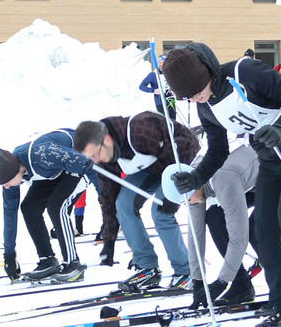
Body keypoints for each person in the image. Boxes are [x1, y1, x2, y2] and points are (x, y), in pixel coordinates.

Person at [163, 42, 281, 327]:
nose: (194, 99)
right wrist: (197, 177)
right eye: (187, 96)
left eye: (195, 90)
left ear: (206, 72)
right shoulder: (208, 106)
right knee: (263, 226)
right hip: (270, 157)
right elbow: (216, 152)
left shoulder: (245, 71)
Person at [75, 112, 197, 291]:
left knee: (161, 213)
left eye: (95, 154)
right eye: (91, 158)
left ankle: (186, 272)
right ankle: (147, 267)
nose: (96, 161)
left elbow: (184, 146)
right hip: (152, 167)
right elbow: (109, 200)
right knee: (122, 205)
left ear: (107, 140)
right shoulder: (106, 160)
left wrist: (175, 187)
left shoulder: (140, 130)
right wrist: (109, 240)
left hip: (178, 159)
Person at [0, 129, 95, 284]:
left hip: (79, 160)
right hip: (56, 170)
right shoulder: (11, 170)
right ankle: (48, 260)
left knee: (57, 207)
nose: (6, 187)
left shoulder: (41, 154)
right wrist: (9, 255)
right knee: (29, 207)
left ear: (16, 171)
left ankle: (73, 264)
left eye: (6, 182)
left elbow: (85, 163)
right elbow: (10, 212)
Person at [184, 140, 260, 309]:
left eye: (186, 200)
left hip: (274, 174)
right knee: (215, 218)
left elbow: (239, 239)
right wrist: (197, 282)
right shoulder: (191, 184)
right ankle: (242, 286)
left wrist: (220, 283)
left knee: (258, 229)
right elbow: (195, 236)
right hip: (243, 180)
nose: (187, 204)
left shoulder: (223, 179)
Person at [139, 55, 176, 119]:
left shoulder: (170, 73)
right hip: (160, 102)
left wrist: (174, 90)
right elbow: (141, 86)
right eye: (159, 62)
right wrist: (154, 90)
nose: (161, 64)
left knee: (173, 122)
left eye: (163, 62)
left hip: (171, 101)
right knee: (163, 122)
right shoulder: (153, 74)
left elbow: (176, 84)